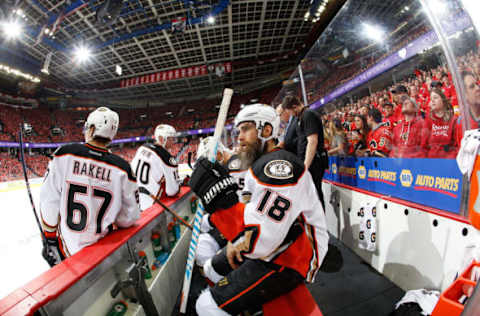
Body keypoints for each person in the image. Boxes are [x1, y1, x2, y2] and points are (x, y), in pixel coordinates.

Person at [189, 104, 329, 315]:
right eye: (238, 131)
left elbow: (261, 242)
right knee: (212, 268)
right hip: (278, 243)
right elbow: (252, 216)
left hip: (295, 255)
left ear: (266, 131)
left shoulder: (278, 167)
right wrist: (235, 240)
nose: (239, 137)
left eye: (246, 129)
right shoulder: (261, 164)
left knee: (206, 305)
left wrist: (222, 208)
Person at [39, 107, 140, 266]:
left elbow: (49, 201)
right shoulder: (123, 168)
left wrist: (50, 237)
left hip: (68, 249)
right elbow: (130, 217)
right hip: (102, 251)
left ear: (92, 129)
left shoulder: (64, 154)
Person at [131, 124, 180, 251]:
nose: (173, 142)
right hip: (153, 206)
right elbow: (172, 191)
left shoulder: (142, 148)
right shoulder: (166, 157)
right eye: (170, 139)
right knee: (161, 239)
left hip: (138, 202)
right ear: (162, 138)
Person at [281, 95, 328, 209]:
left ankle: (320, 224)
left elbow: (312, 141)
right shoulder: (301, 117)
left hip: (314, 162)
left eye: (290, 112)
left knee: (315, 194)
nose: (291, 115)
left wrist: (305, 166)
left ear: (294, 107)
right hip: (308, 162)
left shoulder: (308, 115)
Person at [421, 89, 458, 158]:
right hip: (433, 161)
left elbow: (457, 145)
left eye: (435, 97)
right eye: (431, 98)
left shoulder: (453, 120)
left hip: (450, 160)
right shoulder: (428, 120)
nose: (432, 100)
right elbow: (424, 145)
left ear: (443, 101)